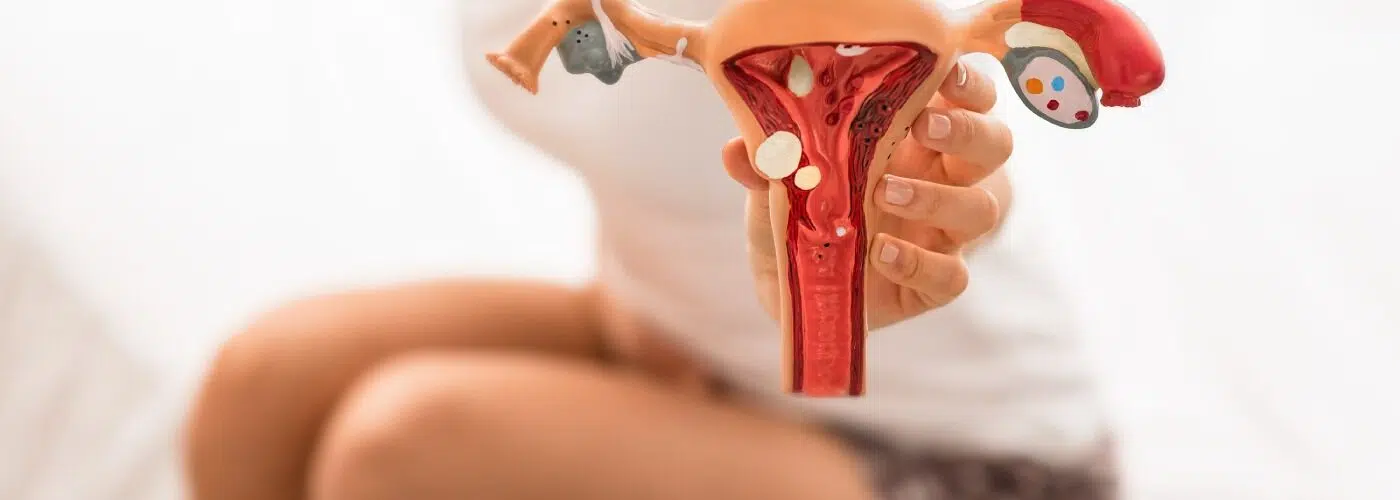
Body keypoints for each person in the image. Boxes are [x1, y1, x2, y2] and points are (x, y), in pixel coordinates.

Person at [182, 1, 1116, 499]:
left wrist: (939, 200)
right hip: (676, 344)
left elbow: (944, 139)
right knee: (261, 386)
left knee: (403, 450)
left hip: (964, 461)